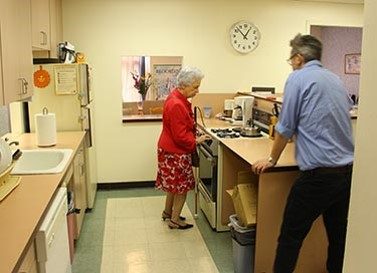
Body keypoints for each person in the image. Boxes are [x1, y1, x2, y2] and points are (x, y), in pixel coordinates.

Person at [252, 34, 354, 273]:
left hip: (318, 177)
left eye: (291, 59)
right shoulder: (335, 79)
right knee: (339, 238)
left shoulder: (298, 78)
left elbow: (285, 127)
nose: (291, 63)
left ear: (298, 58)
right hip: (347, 174)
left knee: (290, 237)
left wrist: (271, 159)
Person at [155, 66, 210, 230]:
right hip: (175, 152)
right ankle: (174, 220)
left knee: (173, 185)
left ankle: (167, 213)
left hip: (168, 149)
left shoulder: (174, 97)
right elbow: (180, 136)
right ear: (184, 85)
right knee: (182, 187)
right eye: (195, 87)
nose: (197, 90)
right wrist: (197, 140)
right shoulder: (177, 104)